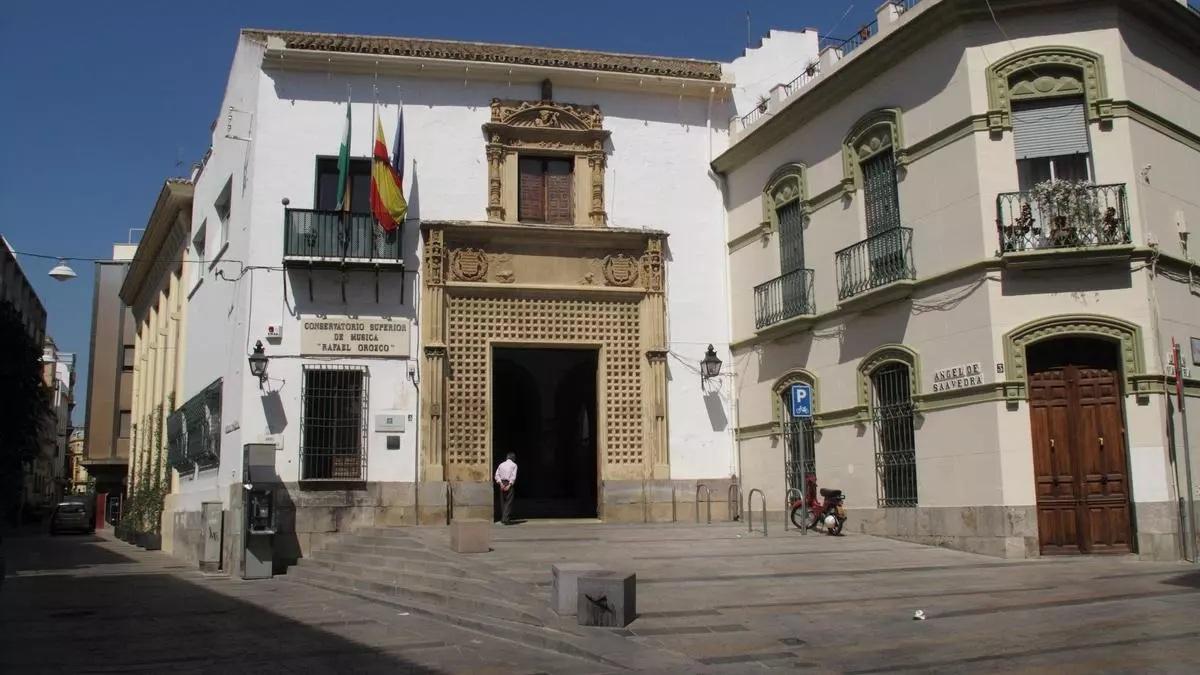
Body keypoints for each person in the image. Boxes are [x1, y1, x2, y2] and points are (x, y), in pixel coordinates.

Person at [494, 452, 518, 525]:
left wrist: (500, 483)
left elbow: (496, 475)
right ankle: (506, 519)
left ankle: (503, 518)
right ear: (513, 458)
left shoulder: (501, 464)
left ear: (507, 457)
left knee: (503, 502)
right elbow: (513, 476)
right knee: (509, 501)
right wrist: (509, 485)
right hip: (508, 483)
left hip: (502, 483)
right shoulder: (514, 465)